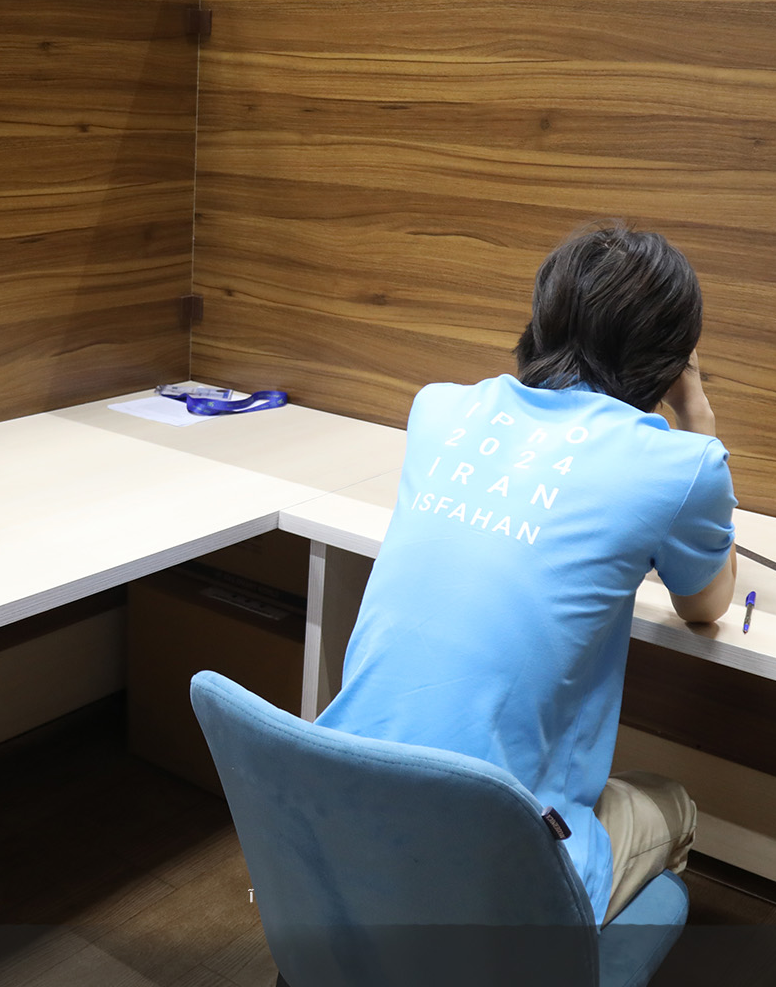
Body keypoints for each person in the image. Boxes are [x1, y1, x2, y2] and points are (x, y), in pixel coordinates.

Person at [314, 220, 737, 925]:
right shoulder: (683, 463)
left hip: (336, 809)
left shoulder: (440, 407)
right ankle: (549, 952)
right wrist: (696, 409)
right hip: (493, 862)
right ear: (673, 357)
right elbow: (706, 604)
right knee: (673, 803)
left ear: (542, 320)